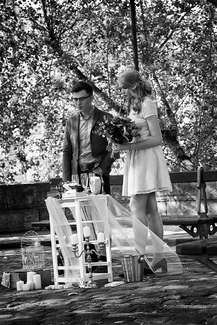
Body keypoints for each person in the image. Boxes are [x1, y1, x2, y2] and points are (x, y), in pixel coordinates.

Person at [114, 69, 172, 273]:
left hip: (147, 159)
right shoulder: (133, 106)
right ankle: (159, 258)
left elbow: (157, 138)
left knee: (135, 204)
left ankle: (140, 257)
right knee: (150, 209)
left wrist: (128, 146)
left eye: (124, 88)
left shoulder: (148, 104)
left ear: (133, 86)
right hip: (136, 158)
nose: (122, 92)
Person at [62, 81, 115, 194]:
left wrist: (102, 168)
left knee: (101, 210)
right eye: (75, 99)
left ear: (91, 98)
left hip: (98, 173)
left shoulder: (105, 118)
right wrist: (66, 180)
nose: (78, 103)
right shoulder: (71, 122)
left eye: (82, 99)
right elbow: (67, 151)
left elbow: (116, 147)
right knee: (79, 211)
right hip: (76, 177)